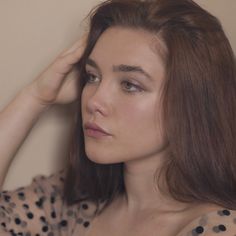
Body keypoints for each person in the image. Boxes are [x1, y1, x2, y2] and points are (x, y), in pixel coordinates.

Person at [1, 0, 236, 235]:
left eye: (130, 85)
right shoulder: (71, 206)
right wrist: (36, 96)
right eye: (92, 76)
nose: (94, 101)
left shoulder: (215, 228)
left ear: (192, 102)